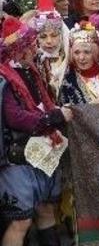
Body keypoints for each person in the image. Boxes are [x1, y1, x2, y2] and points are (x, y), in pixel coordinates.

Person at [0, 16, 72, 246]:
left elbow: (45, 101)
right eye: (29, 45)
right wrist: (54, 117)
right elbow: (15, 117)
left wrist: (56, 113)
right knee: (21, 221)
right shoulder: (4, 78)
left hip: (42, 152)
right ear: (17, 50)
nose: (35, 47)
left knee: (46, 209)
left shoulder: (31, 70)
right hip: (16, 158)